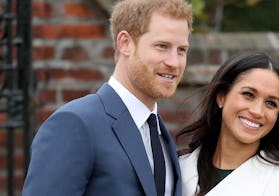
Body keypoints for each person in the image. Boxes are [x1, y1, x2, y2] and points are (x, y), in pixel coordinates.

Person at [22, 0, 193, 195]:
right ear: (125, 43)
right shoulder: (74, 123)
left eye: (181, 50)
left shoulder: (159, 134)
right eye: (162, 46)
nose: (174, 62)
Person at [176, 52, 279, 196]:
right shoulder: (178, 170)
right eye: (248, 95)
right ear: (221, 97)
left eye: (271, 103)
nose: (257, 111)